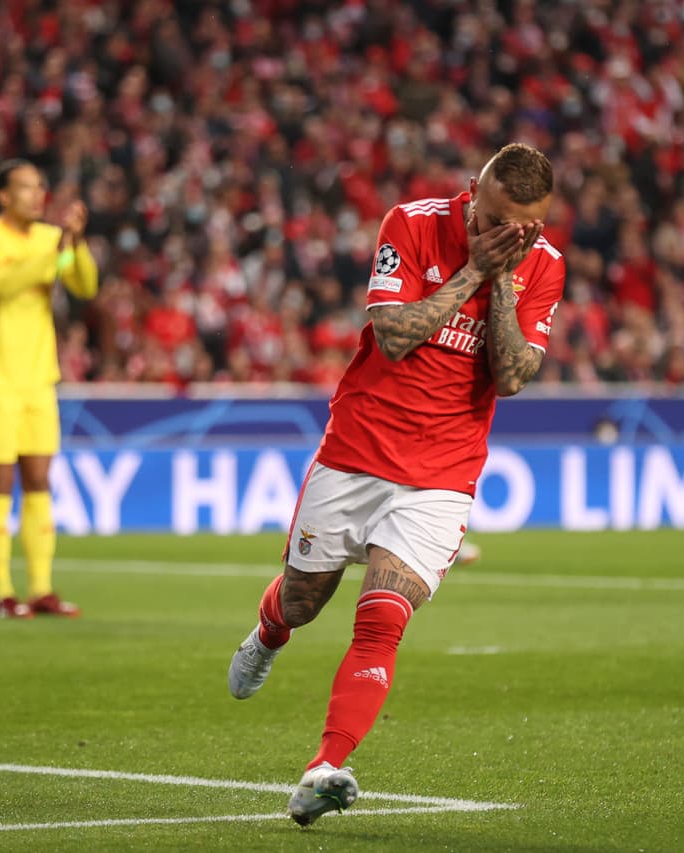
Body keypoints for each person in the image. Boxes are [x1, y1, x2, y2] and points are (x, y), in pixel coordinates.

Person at [227, 143, 565, 825]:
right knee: (302, 600)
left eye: (523, 228)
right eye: (495, 218)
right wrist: (475, 270)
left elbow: (512, 376)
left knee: (383, 615)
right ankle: (268, 632)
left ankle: (323, 767)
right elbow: (392, 335)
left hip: (442, 473)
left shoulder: (545, 267)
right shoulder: (410, 223)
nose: (508, 235)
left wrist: (502, 277)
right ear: (474, 190)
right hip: (357, 448)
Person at [0, 159, 98, 619]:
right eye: (25, 188)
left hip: (39, 378)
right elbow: (2, 284)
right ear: (1, 194)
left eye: (40, 187)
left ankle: (40, 589)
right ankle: (2, 593)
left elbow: (84, 283)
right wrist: (55, 249)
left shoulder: (48, 239)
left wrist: (73, 244)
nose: (37, 195)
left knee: (39, 482)